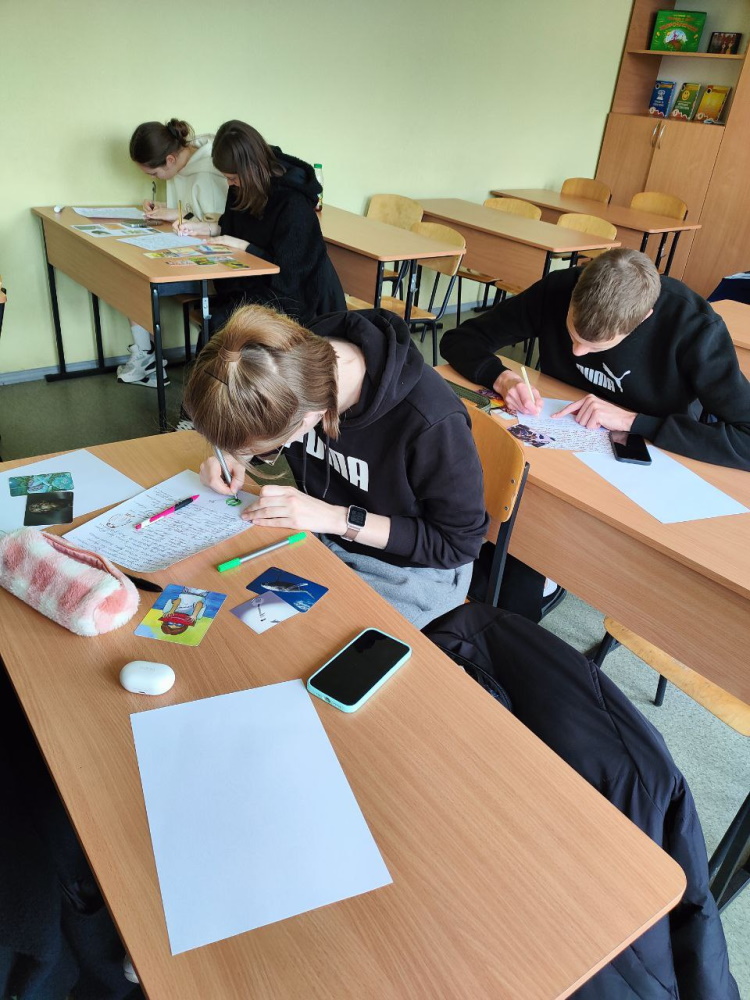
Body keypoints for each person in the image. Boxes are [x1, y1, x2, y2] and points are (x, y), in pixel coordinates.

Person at [183, 304, 488, 629]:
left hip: (408, 570)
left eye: (263, 445)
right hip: (321, 535)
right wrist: (236, 457)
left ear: (311, 418)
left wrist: (337, 518)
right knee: (226, 603)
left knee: (300, 637)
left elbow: (457, 544)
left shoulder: (432, 422)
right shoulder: (294, 364)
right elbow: (271, 421)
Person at [441, 247, 750, 472]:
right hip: (556, 443)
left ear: (643, 319)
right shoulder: (559, 289)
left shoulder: (695, 327)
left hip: (648, 459)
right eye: (573, 336)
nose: (577, 352)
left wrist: (632, 421)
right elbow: (460, 340)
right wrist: (502, 378)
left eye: (593, 346)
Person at [175, 120, 344, 327]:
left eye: (233, 178)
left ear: (250, 170)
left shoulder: (293, 204)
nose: (230, 183)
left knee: (221, 325)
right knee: (213, 319)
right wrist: (206, 228)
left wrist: (244, 246)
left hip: (291, 300)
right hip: (252, 287)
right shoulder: (243, 187)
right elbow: (235, 229)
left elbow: (289, 279)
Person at [120, 118, 228, 388]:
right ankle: (147, 358)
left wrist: (179, 215)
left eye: (154, 174)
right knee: (130, 271)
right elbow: (191, 210)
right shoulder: (182, 163)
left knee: (137, 280)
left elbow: (220, 224)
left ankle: (147, 362)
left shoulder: (209, 171)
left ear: (170, 159)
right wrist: (165, 209)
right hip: (189, 251)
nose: (153, 178)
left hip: (214, 264)